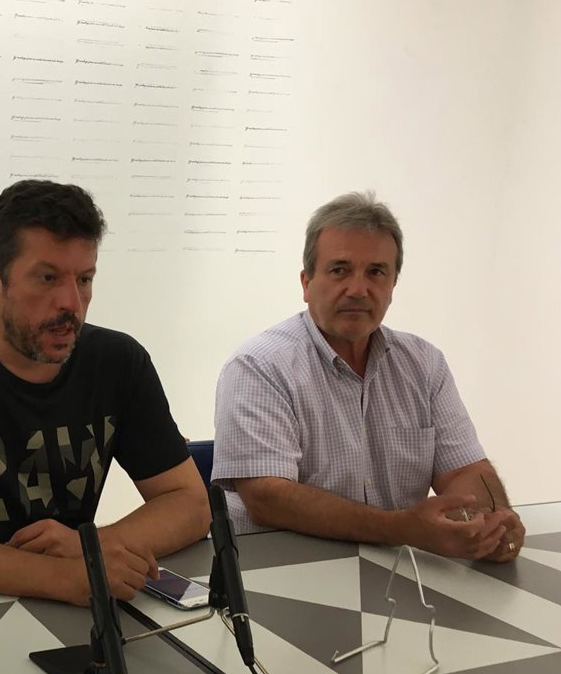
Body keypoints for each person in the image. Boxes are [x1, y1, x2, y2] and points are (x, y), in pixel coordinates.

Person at [0, 179, 209, 605]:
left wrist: (89, 546)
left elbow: (191, 504)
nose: (72, 303)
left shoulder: (119, 363)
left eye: (84, 279)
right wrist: (62, 577)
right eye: (48, 278)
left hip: (73, 611)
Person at [212, 191, 523, 560]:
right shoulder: (259, 366)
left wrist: (492, 520)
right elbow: (267, 498)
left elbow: (464, 471)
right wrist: (401, 528)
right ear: (306, 283)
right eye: (340, 270)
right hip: (282, 571)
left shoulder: (425, 364)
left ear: (392, 285)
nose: (358, 290)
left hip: (395, 571)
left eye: (376, 272)